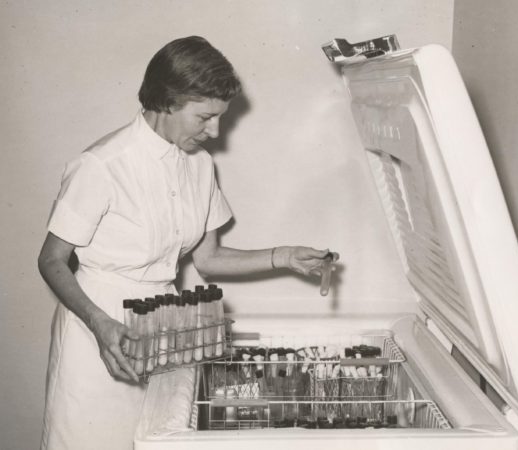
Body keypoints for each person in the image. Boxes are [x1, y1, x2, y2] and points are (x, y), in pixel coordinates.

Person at [38, 36, 336, 450]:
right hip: (97, 333)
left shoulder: (199, 165)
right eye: (204, 117)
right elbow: (52, 259)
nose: (214, 131)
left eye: (219, 118)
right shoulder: (103, 165)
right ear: (167, 101)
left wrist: (283, 256)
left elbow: (210, 259)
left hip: (163, 328)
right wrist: (98, 323)